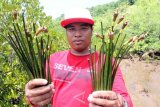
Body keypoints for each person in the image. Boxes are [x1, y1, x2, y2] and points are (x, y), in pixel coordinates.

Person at [25, 8, 133, 107]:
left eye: (83, 28)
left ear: (92, 31)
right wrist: (32, 97)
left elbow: (126, 101)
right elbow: (38, 95)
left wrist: (121, 103)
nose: (77, 34)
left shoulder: (106, 62)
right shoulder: (53, 59)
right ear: (66, 32)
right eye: (71, 29)